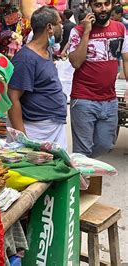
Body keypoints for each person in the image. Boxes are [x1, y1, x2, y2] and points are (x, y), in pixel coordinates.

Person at [68, 0, 128, 157]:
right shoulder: (78, 31)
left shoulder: (120, 28)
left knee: (105, 145)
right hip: (83, 99)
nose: (103, 9)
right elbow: (76, 62)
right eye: (98, 5)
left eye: (106, 4)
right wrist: (87, 32)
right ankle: (84, 177)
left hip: (109, 100)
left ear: (112, 4)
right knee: (82, 152)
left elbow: (126, 60)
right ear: (90, 6)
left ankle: (88, 172)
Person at [8, 6, 67, 148]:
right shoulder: (26, 59)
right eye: (59, 23)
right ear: (49, 27)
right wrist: (23, 140)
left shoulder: (47, 51)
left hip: (53, 128)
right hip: (36, 131)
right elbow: (12, 98)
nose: (62, 27)